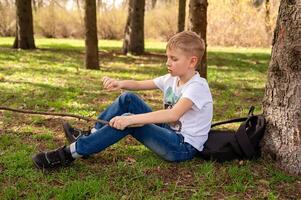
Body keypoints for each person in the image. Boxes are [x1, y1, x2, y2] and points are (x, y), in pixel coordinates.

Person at [32, 31, 213, 170]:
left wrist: (130, 119)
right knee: (127, 98)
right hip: (170, 132)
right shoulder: (171, 79)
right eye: (167, 57)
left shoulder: (197, 86)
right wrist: (119, 83)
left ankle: (68, 154)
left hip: (182, 147)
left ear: (192, 62)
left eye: (174, 59)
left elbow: (173, 114)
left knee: (128, 121)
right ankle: (91, 135)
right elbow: (140, 84)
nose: (168, 62)